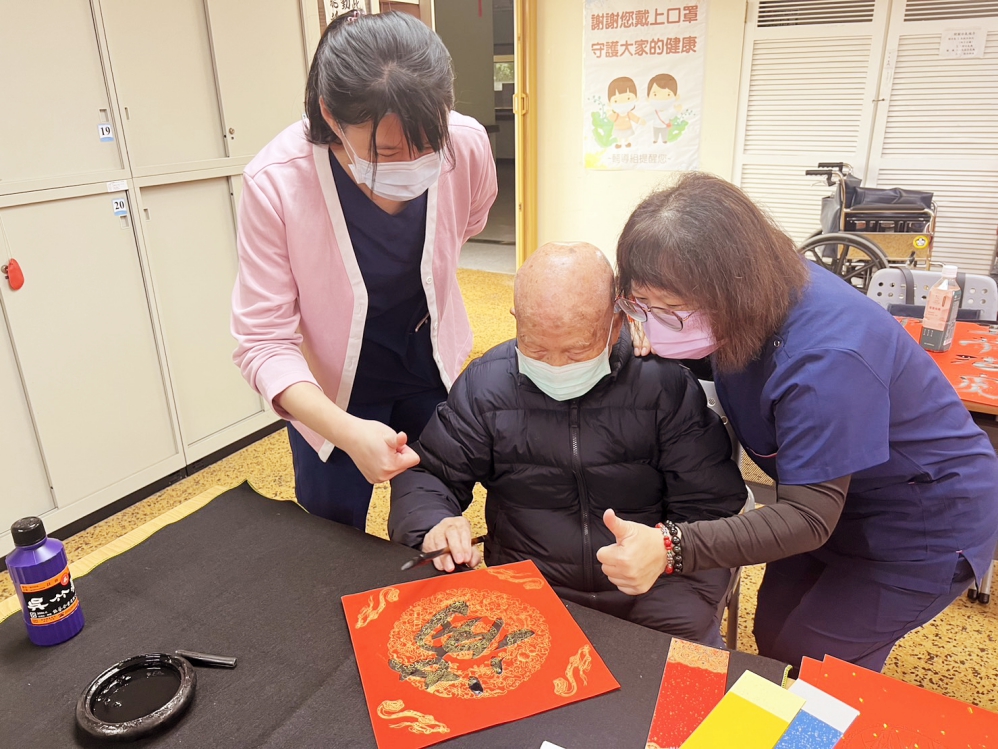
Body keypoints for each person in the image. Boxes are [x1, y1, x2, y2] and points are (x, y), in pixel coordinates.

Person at [610, 172, 998, 671]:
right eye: (642, 305)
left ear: (732, 291)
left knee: (813, 658)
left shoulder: (827, 358)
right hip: (828, 497)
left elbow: (809, 517)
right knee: (774, 630)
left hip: (921, 519)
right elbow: (734, 360)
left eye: (671, 310)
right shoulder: (764, 288)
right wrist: (653, 331)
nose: (654, 321)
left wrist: (670, 546)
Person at [389, 243, 746, 646]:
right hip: (527, 592)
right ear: (516, 321)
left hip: (655, 590)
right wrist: (434, 523)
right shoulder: (485, 386)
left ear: (616, 324)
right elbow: (428, 472)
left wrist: (665, 581)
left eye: (577, 351)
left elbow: (709, 508)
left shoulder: (663, 386)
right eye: (535, 348)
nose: (555, 367)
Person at [231, 11, 498, 530]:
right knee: (332, 532)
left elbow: (469, 221)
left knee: (435, 515)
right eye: (390, 151)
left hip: (429, 367)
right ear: (332, 117)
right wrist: (347, 431)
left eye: (429, 144)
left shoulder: (466, 144)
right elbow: (262, 342)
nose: (416, 163)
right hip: (330, 393)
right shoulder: (277, 181)